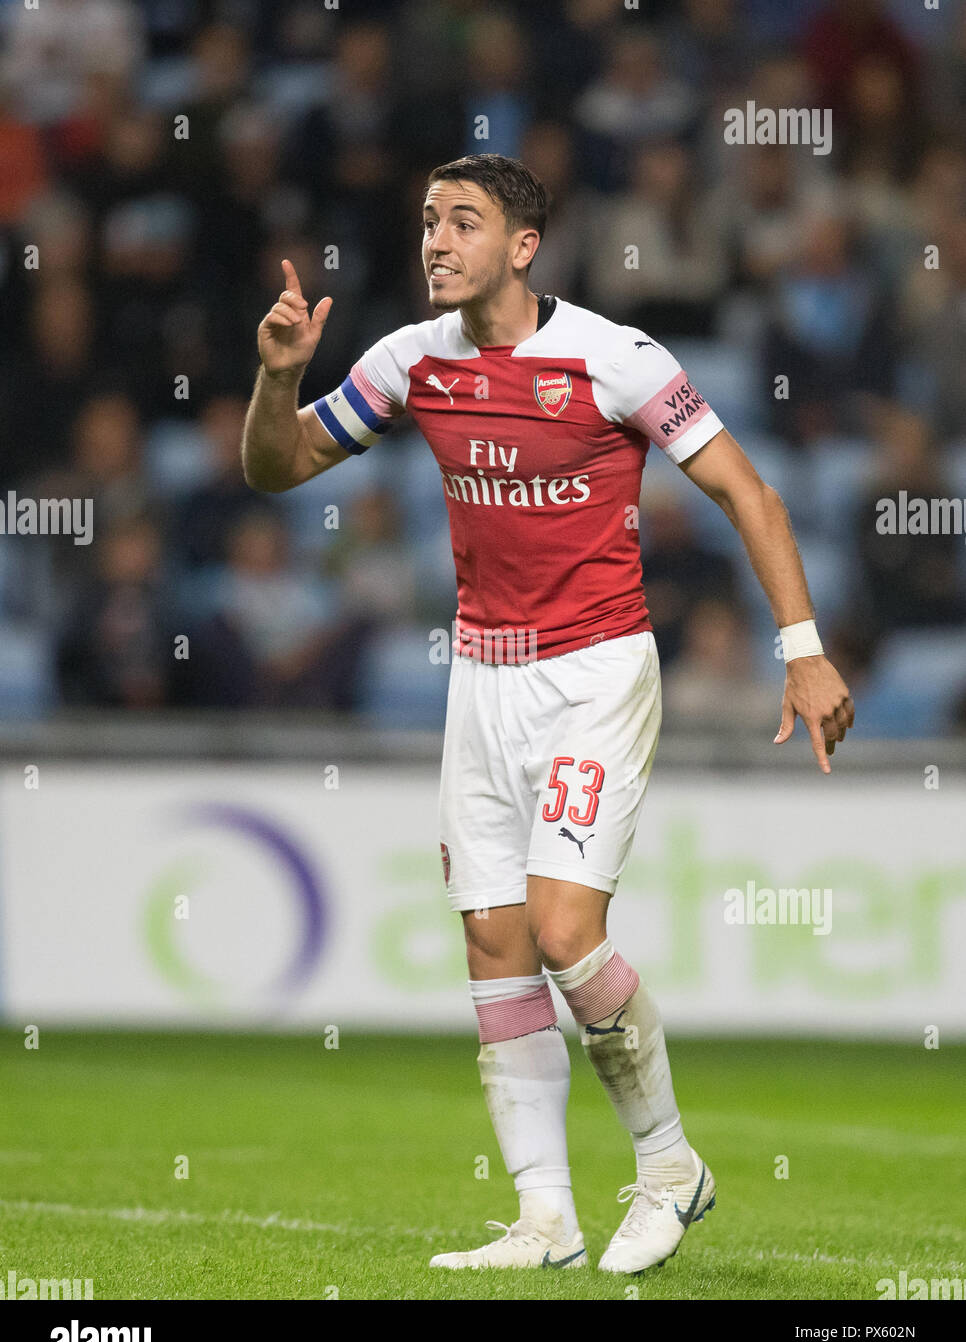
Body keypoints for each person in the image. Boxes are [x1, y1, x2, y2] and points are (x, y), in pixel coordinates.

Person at [241, 153, 854, 1276]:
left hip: (596, 671)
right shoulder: (407, 361)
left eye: (462, 223)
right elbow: (276, 467)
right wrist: (278, 375)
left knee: (567, 931)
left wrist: (803, 650)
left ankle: (671, 1167)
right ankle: (544, 1215)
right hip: (481, 679)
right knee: (493, 937)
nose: (435, 240)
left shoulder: (615, 358)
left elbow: (746, 492)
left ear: (522, 247)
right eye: (427, 221)